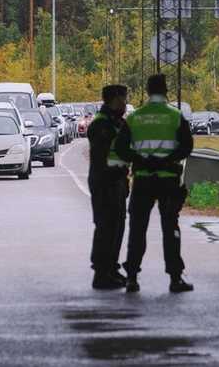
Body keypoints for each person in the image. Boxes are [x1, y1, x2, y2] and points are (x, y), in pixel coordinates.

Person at [115, 74, 194, 294]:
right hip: (168, 180)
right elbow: (187, 146)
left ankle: (132, 277)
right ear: (166, 90)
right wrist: (166, 159)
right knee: (170, 228)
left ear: (147, 91)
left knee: (137, 229)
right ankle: (175, 278)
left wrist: (141, 159)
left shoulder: (135, 118)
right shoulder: (176, 116)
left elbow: (121, 148)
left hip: (143, 179)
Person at [87, 85, 129, 289]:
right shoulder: (102, 124)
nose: (126, 103)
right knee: (106, 226)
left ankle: (111, 267)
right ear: (114, 99)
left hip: (118, 180)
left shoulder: (117, 122)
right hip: (105, 182)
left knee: (117, 226)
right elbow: (100, 158)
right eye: (123, 99)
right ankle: (101, 272)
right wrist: (112, 176)